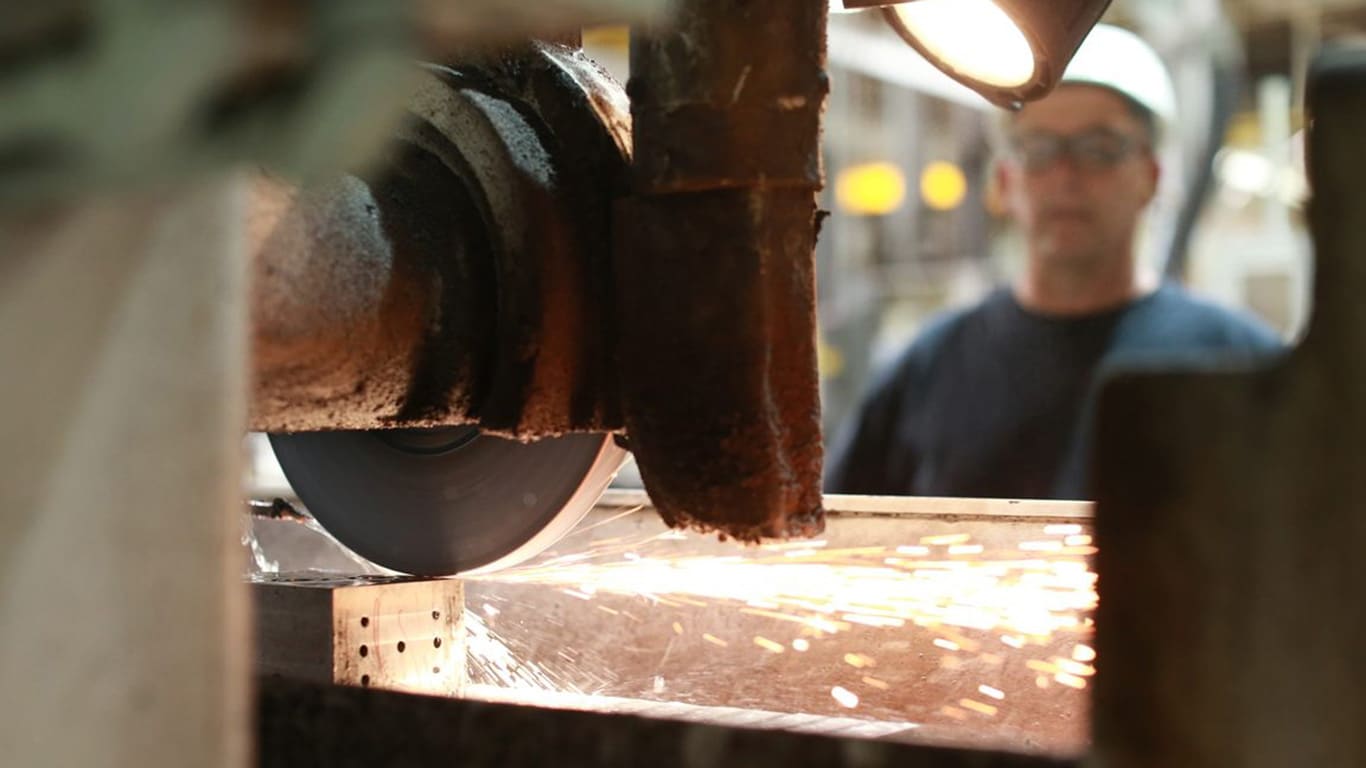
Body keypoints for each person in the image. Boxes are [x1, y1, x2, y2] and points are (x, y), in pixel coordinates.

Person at [824, 24, 1282, 500]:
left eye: (1099, 149)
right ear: (1005, 182)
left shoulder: (1241, 363)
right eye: (1038, 150)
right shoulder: (926, 371)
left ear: (1151, 177)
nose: (1066, 176)